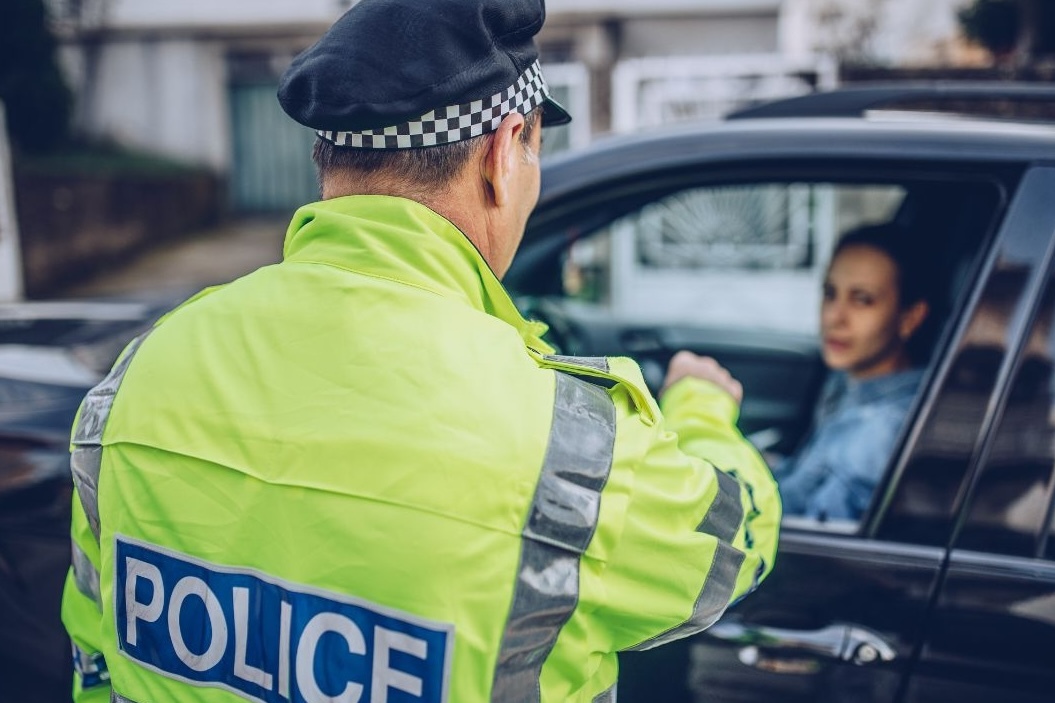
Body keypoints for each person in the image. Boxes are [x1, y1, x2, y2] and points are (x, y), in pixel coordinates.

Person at [59, 1, 780, 701]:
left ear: (326, 156)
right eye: (534, 148)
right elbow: (734, 545)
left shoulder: (141, 372)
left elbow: (96, 658)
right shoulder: (568, 449)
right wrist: (703, 408)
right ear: (503, 153)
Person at [778, 223, 932, 521]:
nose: (835, 317)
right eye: (830, 293)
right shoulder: (847, 381)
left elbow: (809, 541)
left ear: (910, 317)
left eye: (862, 299)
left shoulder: (880, 430)